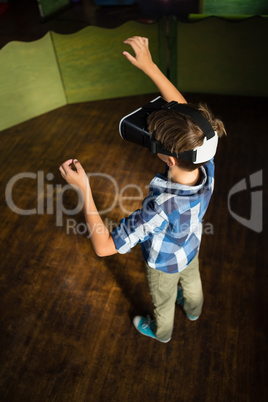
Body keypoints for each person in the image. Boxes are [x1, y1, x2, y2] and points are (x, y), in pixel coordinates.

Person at [59, 36, 226, 343]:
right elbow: (189, 115)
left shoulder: (162, 206)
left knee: (163, 301)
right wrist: (149, 67)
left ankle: (162, 333)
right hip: (190, 246)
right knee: (192, 281)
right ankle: (193, 309)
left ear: (171, 158)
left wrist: (84, 187)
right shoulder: (207, 160)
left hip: (163, 264)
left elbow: (104, 247)